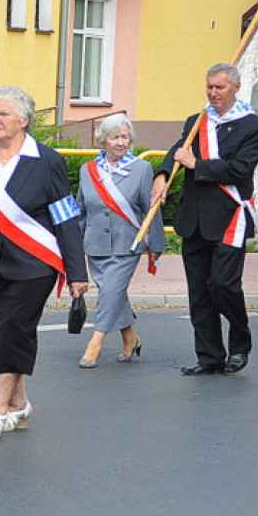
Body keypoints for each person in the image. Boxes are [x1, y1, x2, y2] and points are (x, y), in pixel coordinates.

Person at [0, 86, 87, 438]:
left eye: (5, 113)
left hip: (33, 264)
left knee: (13, 327)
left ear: (25, 120)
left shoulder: (47, 161)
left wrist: (77, 271)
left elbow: (65, 217)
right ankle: (19, 402)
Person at [150, 63, 258, 376]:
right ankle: (209, 356)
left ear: (236, 88)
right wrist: (162, 175)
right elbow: (178, 150)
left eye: (220, 88)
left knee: (223, 285)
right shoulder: (197, 121)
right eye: (210, 87)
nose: (213, 93)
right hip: (195, 219)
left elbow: (239, 169)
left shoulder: (252, 126)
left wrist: (196, 164)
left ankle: (240, 342)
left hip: (229, 217)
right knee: (199, 292)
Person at [76, 113, 164, 368]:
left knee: (110, 291)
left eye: (125, 137)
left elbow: (151, 208)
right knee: (112, 293)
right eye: (115, 137)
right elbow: (82, 209)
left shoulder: (141, 168)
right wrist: (72, 246)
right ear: (103, 140)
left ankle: (95, 342)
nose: (120, 143)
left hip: (128, 243)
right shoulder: (87, 170)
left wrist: (155, 244)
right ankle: (130, 338)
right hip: (95, 243)